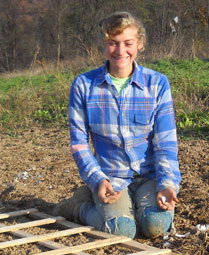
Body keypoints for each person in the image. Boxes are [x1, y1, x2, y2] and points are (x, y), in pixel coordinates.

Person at [53, 11, 181, 239]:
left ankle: (138, 207)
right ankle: (80, 207)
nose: (121, 51)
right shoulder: (84, 85)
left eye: (128, 43)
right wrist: (97, 180)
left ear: (140, 44)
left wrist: (167, 184)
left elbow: (166, 143)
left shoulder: (157, 84)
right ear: (103, 45)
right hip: (111, 178)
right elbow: (79, 144)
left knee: (155, 226)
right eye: (113, 43)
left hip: (150, 176)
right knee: (122, 232)